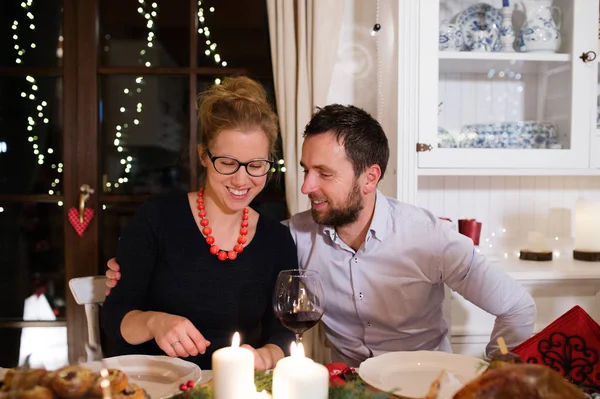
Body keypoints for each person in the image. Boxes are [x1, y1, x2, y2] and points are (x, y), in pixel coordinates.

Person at [106, 104, 536, 367]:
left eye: (324, 174)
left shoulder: (431, 239)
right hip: (343, 386)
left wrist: (495, 370)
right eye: (304, 170)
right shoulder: (293, 237)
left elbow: (516, 307)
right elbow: (231, 271)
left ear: (370, 178)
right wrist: (134, 291)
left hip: (425, 383)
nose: (307, 187)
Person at [100, 76, 297, 371]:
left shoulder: (277, 240)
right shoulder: (157, 218)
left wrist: (262, 357)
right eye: (228, 163)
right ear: (204, 155)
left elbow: (284, 332)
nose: (242, 180)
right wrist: (155, 322)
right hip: (153, 380)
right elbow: (115, 317)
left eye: (256, 165)